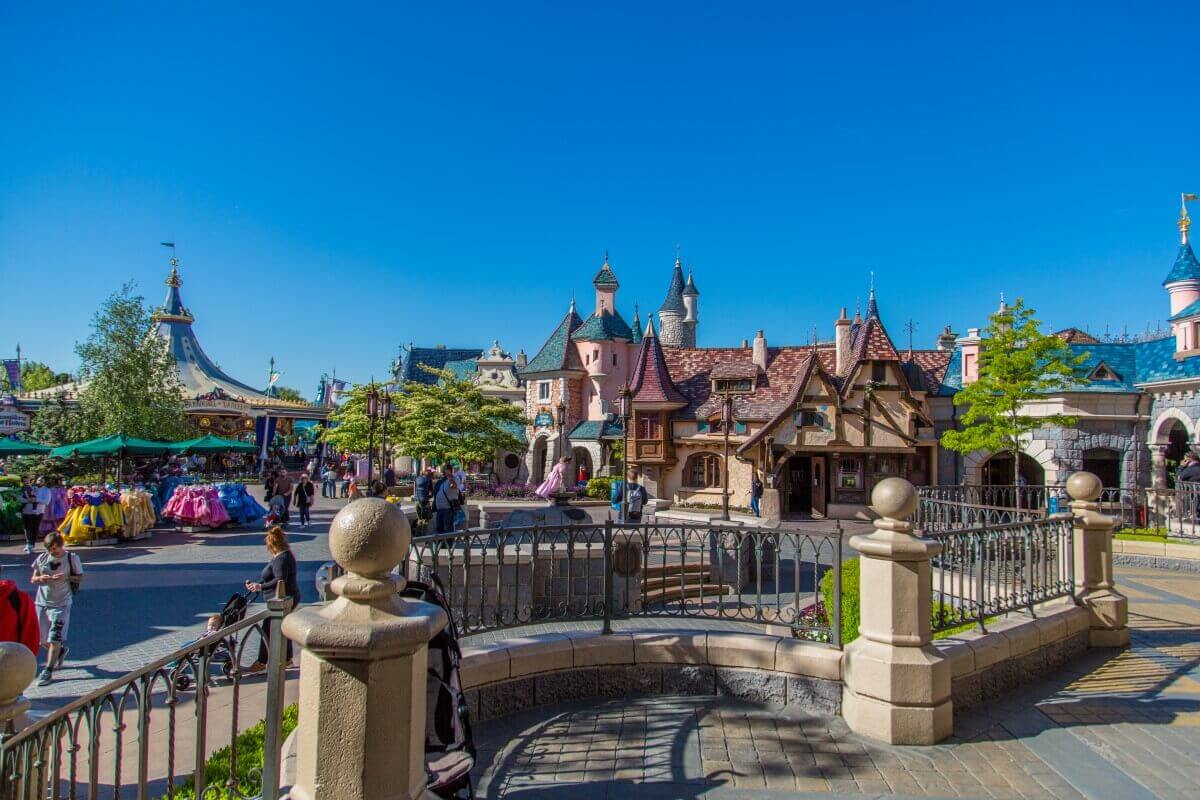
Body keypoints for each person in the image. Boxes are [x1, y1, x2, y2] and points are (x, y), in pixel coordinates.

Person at [31, 533, 83, 686]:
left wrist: (66, 578)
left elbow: (79, 577)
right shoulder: (42, 558)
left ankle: (48, 670)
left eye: (55, 549)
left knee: (55, 637)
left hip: (62, 603)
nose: (53, 552)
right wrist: (41, 579)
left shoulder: (71, 558)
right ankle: (59, 652)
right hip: (42, 602)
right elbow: (33, 578)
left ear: (61, 545)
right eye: (50, 549)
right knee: (42, 640)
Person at [245, 526, 299, 672]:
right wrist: (258, 584)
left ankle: (262, 661)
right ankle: (287, 658)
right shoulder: (286, 556)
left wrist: (259, 587)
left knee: (267, 629)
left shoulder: (280, 559)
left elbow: (280, 579)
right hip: (288, 597)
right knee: (282, 627)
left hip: (279, 600)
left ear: (272, 545)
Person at [0, 566, 40, 655]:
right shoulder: (19, 598)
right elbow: (32, 637)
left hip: (10, 662)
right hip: (12, 662)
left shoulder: (18, 598)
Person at [433, 465, 461, 533]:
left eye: (445, 470)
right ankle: (441, 543)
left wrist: (450, 478)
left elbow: (453, 486)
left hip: (448, 509)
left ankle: (449, 543)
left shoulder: (455, 478)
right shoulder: (443, 481)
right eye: (443, 470)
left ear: (449, 470)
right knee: (439, 529)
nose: (443, 472)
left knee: (448, 529)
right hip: (439, 509)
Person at [20, 478, 44, 555]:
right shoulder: (26, 488)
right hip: (26, 512)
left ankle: (31, 544)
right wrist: (29, 500)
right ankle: (28, 544)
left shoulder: (45, 490)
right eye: (39, 480)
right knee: (27, 528)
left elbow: (45, 501)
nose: (40, 482)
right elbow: (20, 499)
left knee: (34, 528)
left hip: (37, 512)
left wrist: (35, 500)